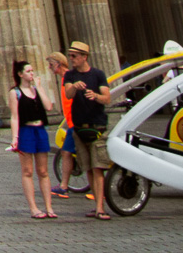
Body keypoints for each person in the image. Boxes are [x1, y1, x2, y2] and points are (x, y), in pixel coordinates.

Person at [61, 42, 113, 220]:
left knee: (98, 168)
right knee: (89, 168)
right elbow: (68, 94)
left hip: (97, 127)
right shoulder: (70, 75)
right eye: (70, 55)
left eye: (74, 56)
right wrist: (75, 87)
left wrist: (95, 96)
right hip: (79, 129)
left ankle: (100, 208)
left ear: (84, 57)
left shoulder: (98, 74)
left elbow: (107, 98)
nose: (71, 59)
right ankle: (96, 205)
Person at [8, 60, 56, 219]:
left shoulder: (36, 90)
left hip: (40, 130)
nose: (32, 73)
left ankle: (49, 207)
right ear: (20, 74)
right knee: (27, 171)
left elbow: (49, 107)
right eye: (28, 71)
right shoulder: (15, 92)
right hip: (25, 131)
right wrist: (15, 138)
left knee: (43, 171)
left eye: (32, 71)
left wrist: (40, 87)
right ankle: (34, 208)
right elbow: (15, 117)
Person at [44, 53, 78, 197]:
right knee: (68, 152)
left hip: (75, 122)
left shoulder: (69, 78)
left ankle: (64, 185)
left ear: (58, 64)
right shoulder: (66, 78)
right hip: (71, 121)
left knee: (67, 152)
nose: (50, 68)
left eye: (51, 65)